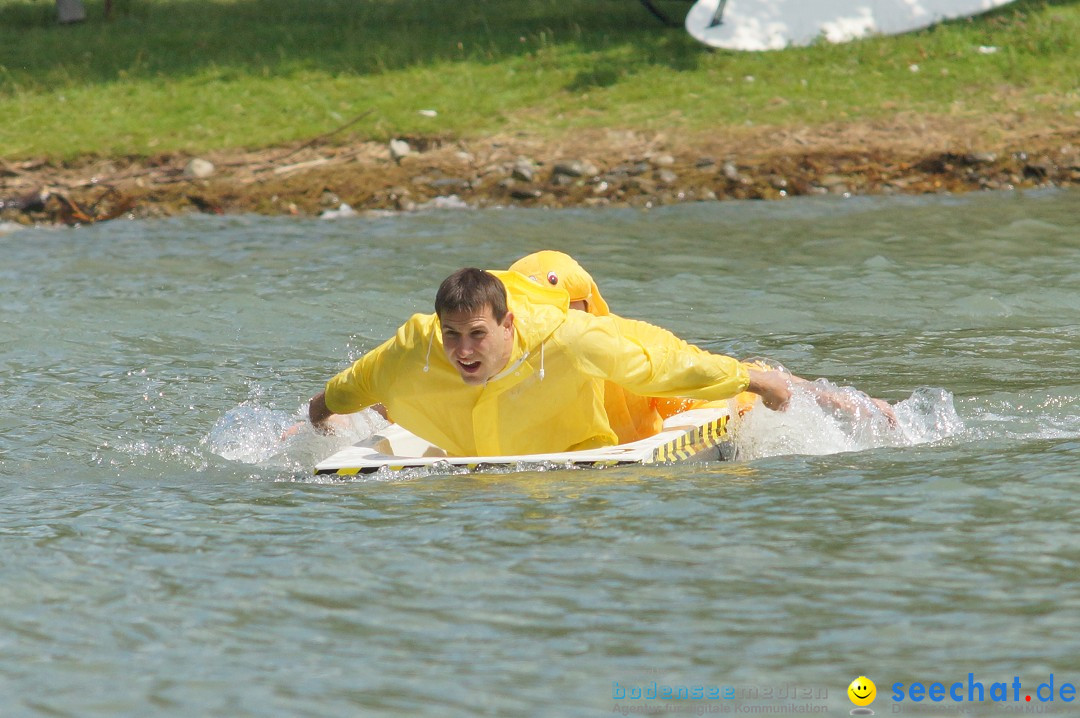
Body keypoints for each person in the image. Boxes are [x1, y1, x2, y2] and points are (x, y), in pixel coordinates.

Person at [306, 267, 793, 456]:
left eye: (477, 335)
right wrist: (320, 417)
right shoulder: (414, 349)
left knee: (663, 387)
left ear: (508, 325)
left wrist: (753, 380)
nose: (463, 351)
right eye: (452, 336)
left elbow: (663, 364)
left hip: (579, 465)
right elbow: (346, 388)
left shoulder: (571, 339)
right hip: (483, 473)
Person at [507, 250, 895, 435]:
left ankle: (852, 402)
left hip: (647, 440)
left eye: (565, 312)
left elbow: (710, 371)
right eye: (538, 311)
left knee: (753, 387)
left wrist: (843, 402)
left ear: (592, 309)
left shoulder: (632, 339)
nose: (553, 325)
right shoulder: (488, 349)